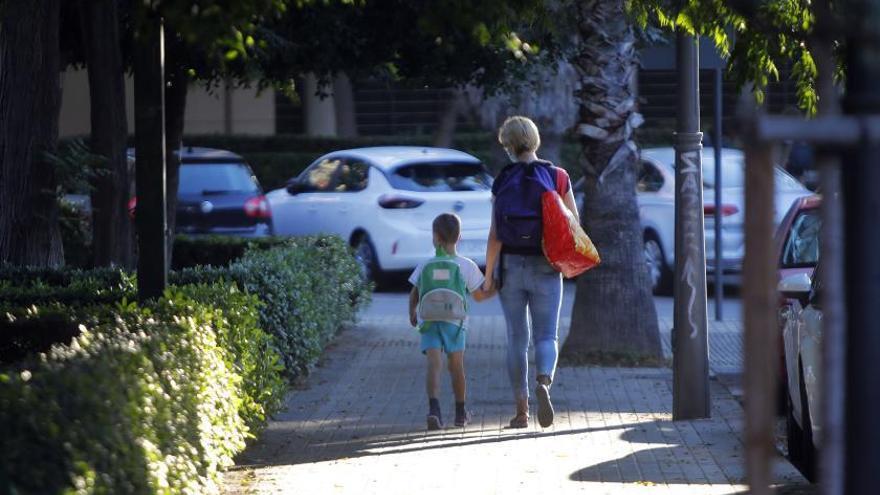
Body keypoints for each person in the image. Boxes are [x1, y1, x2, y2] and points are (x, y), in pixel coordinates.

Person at [483, 116, 580, 429]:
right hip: (547, 266)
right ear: (536, 140)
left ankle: (522, 411)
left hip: (511, 267)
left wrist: (489, 274)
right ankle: (544, 382)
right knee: (546, 334)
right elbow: (573, 226)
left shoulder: (502, 179)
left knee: (516, 338)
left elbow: (495, 233)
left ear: (509, 145)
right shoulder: (558, 176)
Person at [409, 213, 496, 430]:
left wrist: (412, 311)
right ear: (459, 238)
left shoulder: (425, 264)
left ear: (435, 238)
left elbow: (415, 291)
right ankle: (460, 413)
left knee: (434, 365)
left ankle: (434, 410)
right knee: (456, 366)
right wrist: (496, 290)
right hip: (455, 324)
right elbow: (479, 296)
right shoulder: (466, 265)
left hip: (429, 321)